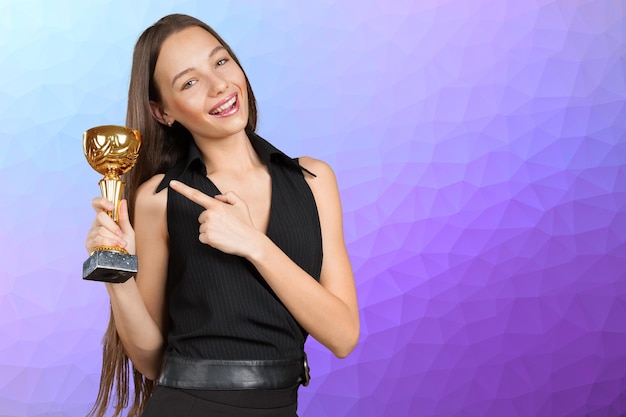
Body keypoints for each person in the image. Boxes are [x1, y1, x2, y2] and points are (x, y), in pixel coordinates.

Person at [84, 13, 359, 417]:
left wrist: (255, 245)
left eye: (220, 61)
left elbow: (343, 335)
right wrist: (116, 273)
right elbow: (151, 362)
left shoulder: (314, 180)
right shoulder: (159, 198)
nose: (219, 87)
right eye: (189, 82)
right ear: (163, 112)